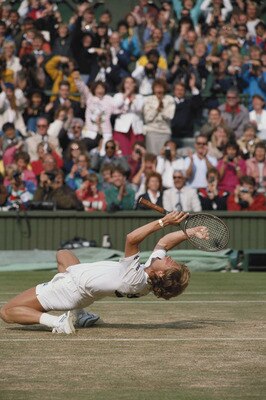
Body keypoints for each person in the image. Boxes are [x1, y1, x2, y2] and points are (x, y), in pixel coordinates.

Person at [0, 211, 209, 334]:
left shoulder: (135, 277)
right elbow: (164, 242)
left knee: (7, 312)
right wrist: (191, 232)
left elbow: (131, 238)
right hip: (80, 288)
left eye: (172, 264)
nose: (170, 258)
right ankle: (79, 315)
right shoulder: (149, 274)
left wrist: (163, 222)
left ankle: (57, 322)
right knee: (63, 254)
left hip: (70, 289)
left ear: (162, 274)